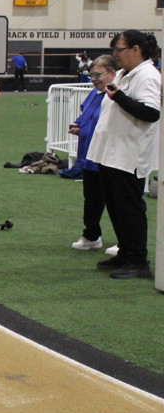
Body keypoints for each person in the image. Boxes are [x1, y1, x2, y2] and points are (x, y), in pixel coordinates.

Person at [86, 30, 160, 280]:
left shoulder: (148, 75)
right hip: (111, 153)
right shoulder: (124, 73)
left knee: (130, 208)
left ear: (136, 49)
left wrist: (119, 96)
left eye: (119, 50)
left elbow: (151, 113)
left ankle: (138, 259)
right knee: (116, 206)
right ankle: (126, 252)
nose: (115, 55)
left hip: (129, 154)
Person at [67, 55, 116, 252]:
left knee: (116, 201)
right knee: (92, 199)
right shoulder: (94, 94)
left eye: (98, 75)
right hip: (89, 157)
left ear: (112, 73)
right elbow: (86, 115)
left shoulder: (114, 97)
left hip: (108, 158)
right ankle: (91, 235)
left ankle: (126, 242)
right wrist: (78, 125)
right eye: (91, 75)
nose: (94, 79)